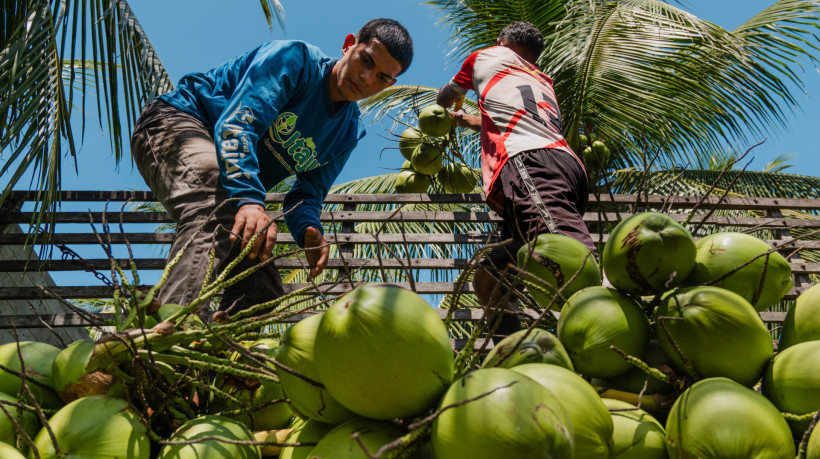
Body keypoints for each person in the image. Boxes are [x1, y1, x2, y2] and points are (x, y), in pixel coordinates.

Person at [131, 19, 413, 316]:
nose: (367, 78)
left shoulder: (348, 133)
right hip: (175, 123)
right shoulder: (295, 60)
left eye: (381, 77)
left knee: (261, 288)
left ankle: (214, 345)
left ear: (389, 84)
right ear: (348, 45)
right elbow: (237, 126)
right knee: (218, 206)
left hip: (228, 186)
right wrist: (250, 201)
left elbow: (307, 195)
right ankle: (173, 328)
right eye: (365, 61)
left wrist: (309, 230)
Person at [436, 21, 595, 338]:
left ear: (500, 41)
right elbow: (504, 117)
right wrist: (464, 119)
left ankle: (613, 322)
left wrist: (448, 107)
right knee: (490, 278)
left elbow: (444, 97)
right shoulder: (539, 78)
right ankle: (513, 349)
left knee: (572, 254)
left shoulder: (484, 57)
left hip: (530, 162)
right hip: (564, 165)